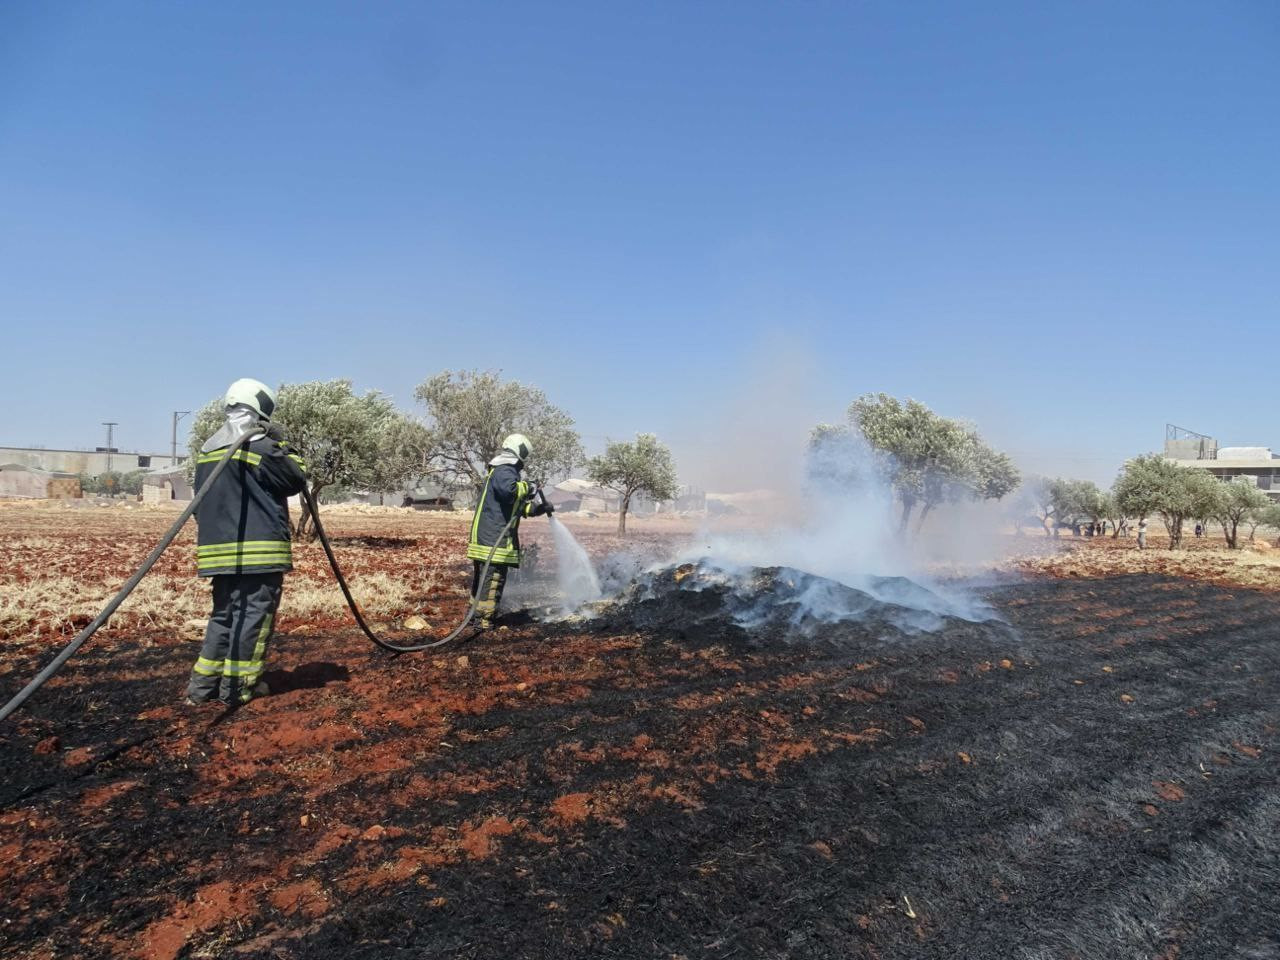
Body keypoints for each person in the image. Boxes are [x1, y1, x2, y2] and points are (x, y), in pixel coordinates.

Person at [186, 378, 307, 705]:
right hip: (258, 554)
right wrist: (284, 446)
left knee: (224, 616)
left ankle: (202, 688)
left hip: (219, 555)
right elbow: (296, 477)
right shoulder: (260, 446)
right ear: (261, 410)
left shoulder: (209, 450)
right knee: (253, 618)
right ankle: (239, 688)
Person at [467, 433, 553, 629]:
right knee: (493, 579)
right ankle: (484, 621)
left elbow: (514, 506)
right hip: (494, 538)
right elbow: (510, 491)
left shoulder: (499, 470)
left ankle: (474, 615)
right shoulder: (505, 470)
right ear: (519, 452)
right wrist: (529, 487)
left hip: (487, 536)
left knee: (483, 579)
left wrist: (538, 509)